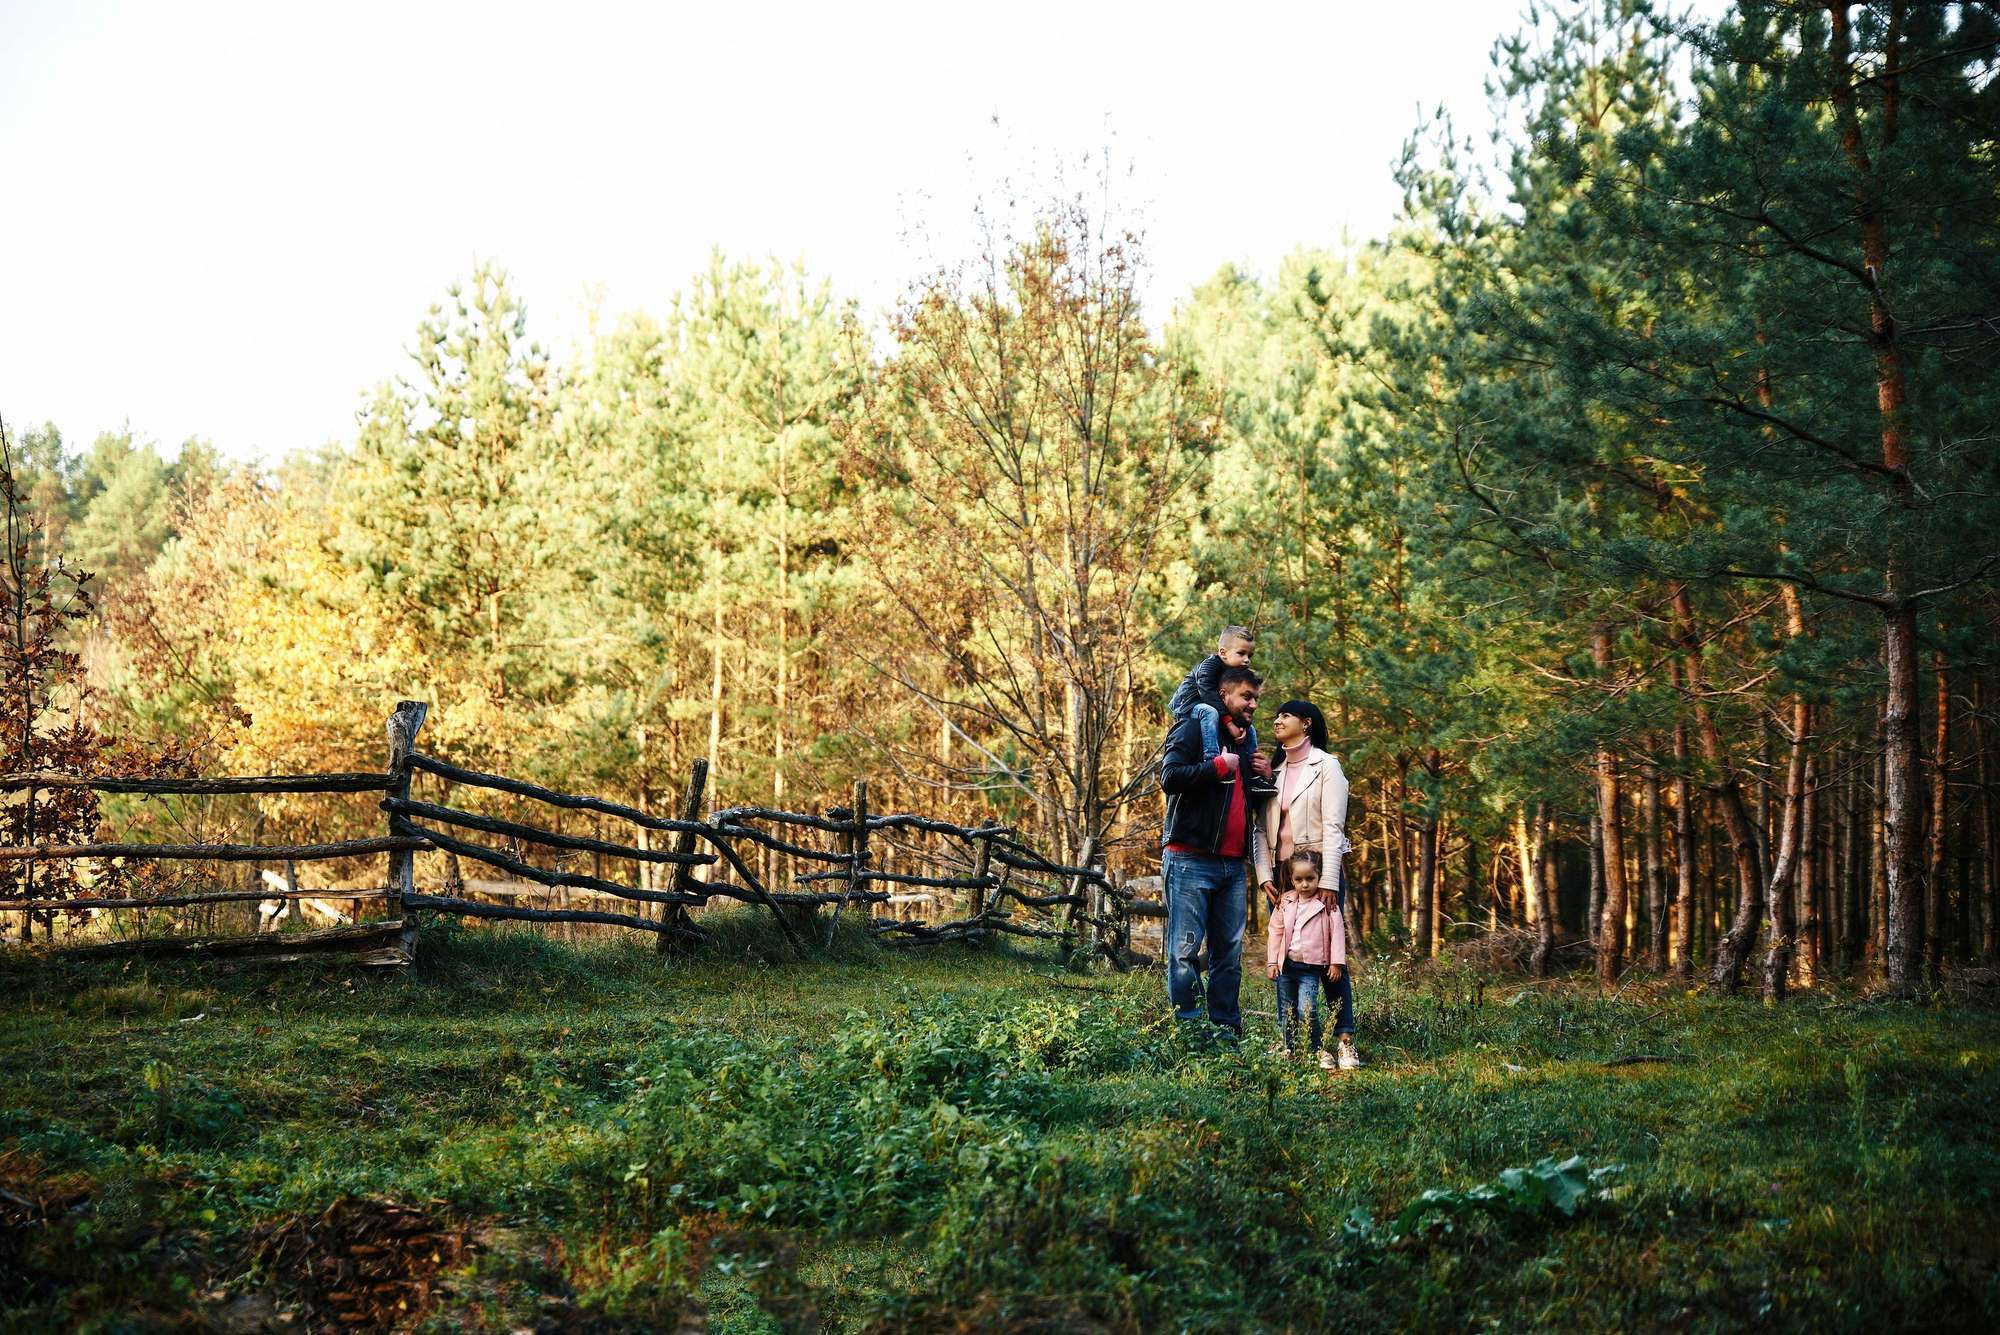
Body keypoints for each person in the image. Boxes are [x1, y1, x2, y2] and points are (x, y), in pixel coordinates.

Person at [1252, 699, 1365, 1070]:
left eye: (1286, 714)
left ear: (1307, 723)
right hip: (1281, 877)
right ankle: (1293, 1043)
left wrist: (1330, 881)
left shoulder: (1327, 767)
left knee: (1329, 958)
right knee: (1285, 956)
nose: (1277, 719)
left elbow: (1334, 828)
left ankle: (1345, 1041)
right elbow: (1260, 828)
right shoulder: (1274, 771)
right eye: (1276, 715)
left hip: (1318, 873)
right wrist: (1265, 874)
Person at [1160, 665, 1272, 1036]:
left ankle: (1226, 1034)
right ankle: (1191, 1034)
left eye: (1256, 698)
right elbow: (1170, 777)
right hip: (1190, 858)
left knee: (1228, 957)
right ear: (1224, 695)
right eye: (1247, 696)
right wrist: (1215, 766)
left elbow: (1247, 802)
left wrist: (1265, 777)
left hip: (1231, 866)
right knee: (1183, 954)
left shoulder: (1246, 740)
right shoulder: (1195, 725)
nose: (1253, 704)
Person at [1265, 848, 1344, 1067]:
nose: (1305, 884)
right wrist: (1272, 961)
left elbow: (1337, 933)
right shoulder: (1285, 902)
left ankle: (1317, 1049)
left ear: (1319, 876)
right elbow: (1276, 932)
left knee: (1307, 1010)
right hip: (1287, 967)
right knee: (1287, 1010)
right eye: (1298, 879)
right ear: (1291, 879)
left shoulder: (1327, 902)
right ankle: (1287, 1047)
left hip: (1310, 968)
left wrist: (1336, 962)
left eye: (1310, 878)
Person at [1167, 626, 1261, 764]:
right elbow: (1208, 693)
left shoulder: (1233, 672)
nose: (1247, 660)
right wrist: (1229, 723)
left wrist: (1242, 726)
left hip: (1212, 708)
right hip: (1188, 707)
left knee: (1250, 727)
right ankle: (1212, 759)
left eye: (1249, 655)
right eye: (1241, 653)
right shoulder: (1209, 666)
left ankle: (1253, 766)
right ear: (1223, 653)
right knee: (1209, 712)